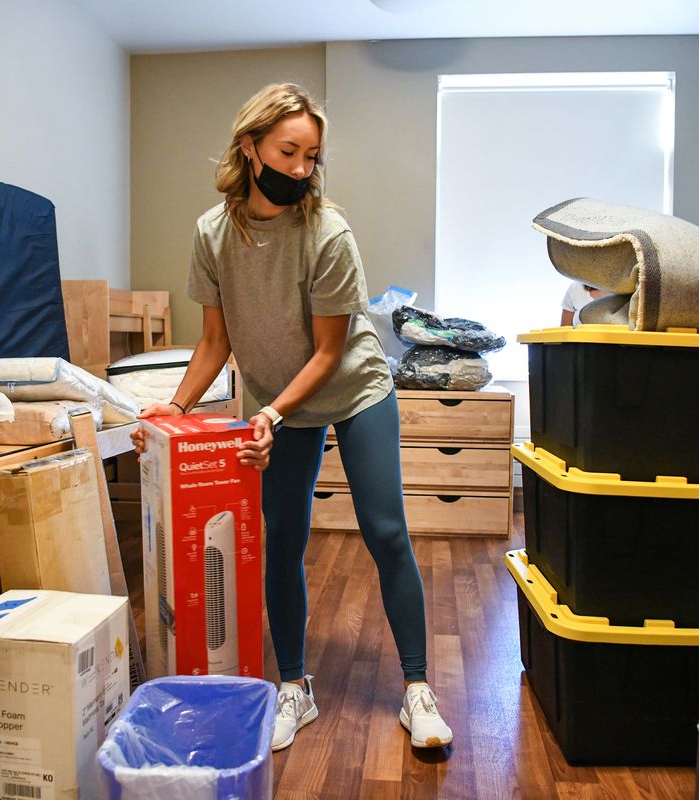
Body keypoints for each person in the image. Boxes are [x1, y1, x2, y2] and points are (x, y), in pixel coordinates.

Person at [129, 83, 453, 753]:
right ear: (250, 149)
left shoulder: (327, 232)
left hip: (352, 388)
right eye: (288, 152)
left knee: (386, 530)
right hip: (281, 398)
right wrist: (179, 404)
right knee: (283, 539)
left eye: (312, 156)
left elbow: (332, 351)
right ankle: (294, 688)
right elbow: (215, 342)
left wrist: (271, 412)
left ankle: (418, 689)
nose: (301, 170)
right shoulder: (211, 236)